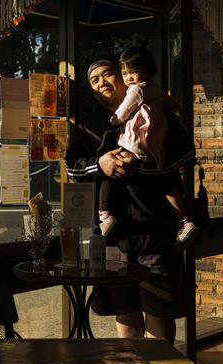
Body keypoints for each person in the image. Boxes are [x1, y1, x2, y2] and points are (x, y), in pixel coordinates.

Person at [65, 56, 195, 343]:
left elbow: (188, 153)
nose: (102, 82)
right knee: (125, 310)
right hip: (112, 235)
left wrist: (145, 164)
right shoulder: (87, 125)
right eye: (94, 80)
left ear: (125, 78)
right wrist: (100, 164)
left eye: (108, 74)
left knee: (159, 309)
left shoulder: (156, 110)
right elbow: (71, 166)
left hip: (157, 229)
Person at [98, 47, 197, 247]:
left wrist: (114, 120)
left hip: (134, 144)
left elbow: (123, 111)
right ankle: (184, 221)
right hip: (154, 147)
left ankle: (105, 216)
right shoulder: (156, 90)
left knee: (110, 175)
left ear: (147, 70)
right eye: (125, 73)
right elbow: (173, 104)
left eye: (132, 72)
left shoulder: (137, 90)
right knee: (164, 183)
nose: (128, 78)